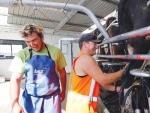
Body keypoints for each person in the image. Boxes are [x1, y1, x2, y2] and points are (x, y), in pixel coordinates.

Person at [9, 24, 67, 113]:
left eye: (34, 40)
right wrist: (15, 103)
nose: (32, 44)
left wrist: (63, 91)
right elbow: (15, 79)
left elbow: (62, 73)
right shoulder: (22, 54)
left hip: (52, 98)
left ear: (42, 37)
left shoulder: (55, 51)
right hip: (31, 99)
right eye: (27, 42)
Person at [66, 33, 125, 113]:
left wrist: (116, 88)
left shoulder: (79, 58)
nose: (97, 47)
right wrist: (125, 71)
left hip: (77, 106)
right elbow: (103, 80)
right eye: (94, 43)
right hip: (83, 108)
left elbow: (97, 83)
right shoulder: (85, 59)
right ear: (85, 44)